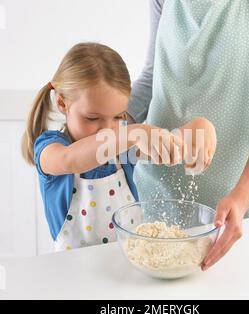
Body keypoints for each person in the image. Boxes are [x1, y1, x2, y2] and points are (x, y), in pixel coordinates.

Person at [127, 0, 249, 270]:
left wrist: (241, 196)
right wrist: (112, 129)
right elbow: (151, 78)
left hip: (242, 212)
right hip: (157, 205)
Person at [21, 42, 217, 251]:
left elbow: (168, 145)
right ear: (62, 104)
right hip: (75, 274)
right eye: (93, 118)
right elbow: (71, 160)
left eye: (118, 116)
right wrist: (130, 132)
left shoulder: (123, 148)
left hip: (128, 263)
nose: (108, 129)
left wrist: (199, 129)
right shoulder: (51, 148)